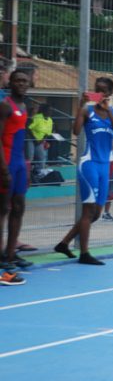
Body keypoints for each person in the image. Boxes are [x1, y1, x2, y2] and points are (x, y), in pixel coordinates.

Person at [54, 77, 113, 265]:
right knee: (88, 211)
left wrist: (108, 111)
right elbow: (76, 131)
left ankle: (64, 243)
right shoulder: (88, 111)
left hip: (104, 166)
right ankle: (84, 254)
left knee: (96, 213)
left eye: (103, 91)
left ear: (109, 94)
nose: (99, 93)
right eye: (97, 90)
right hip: (89, 164)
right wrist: (80, 106)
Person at [0, 71, 35, 284]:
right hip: (7, 164)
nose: (22, 84)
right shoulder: (5, 106)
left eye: (25, 80)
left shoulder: (24, 107)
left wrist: (26, 168)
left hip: (20, 163)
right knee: (3, 209)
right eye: (17, 81)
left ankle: (10, 254)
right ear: (10, 83)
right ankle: (2, 259)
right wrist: (3, 169)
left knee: (19, 207)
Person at [28, 103, 54, 176]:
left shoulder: (50, 120)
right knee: (30, 156)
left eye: (51, 110)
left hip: (40, 140)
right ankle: (26, 173)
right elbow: (29, 128)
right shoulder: (37, 117)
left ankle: (38, 173)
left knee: (41, 157)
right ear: (44, 110)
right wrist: (35, 139)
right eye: (49, 110)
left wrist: (42, 140)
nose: (50, 112)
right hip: (31, 138)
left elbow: (48, 133)